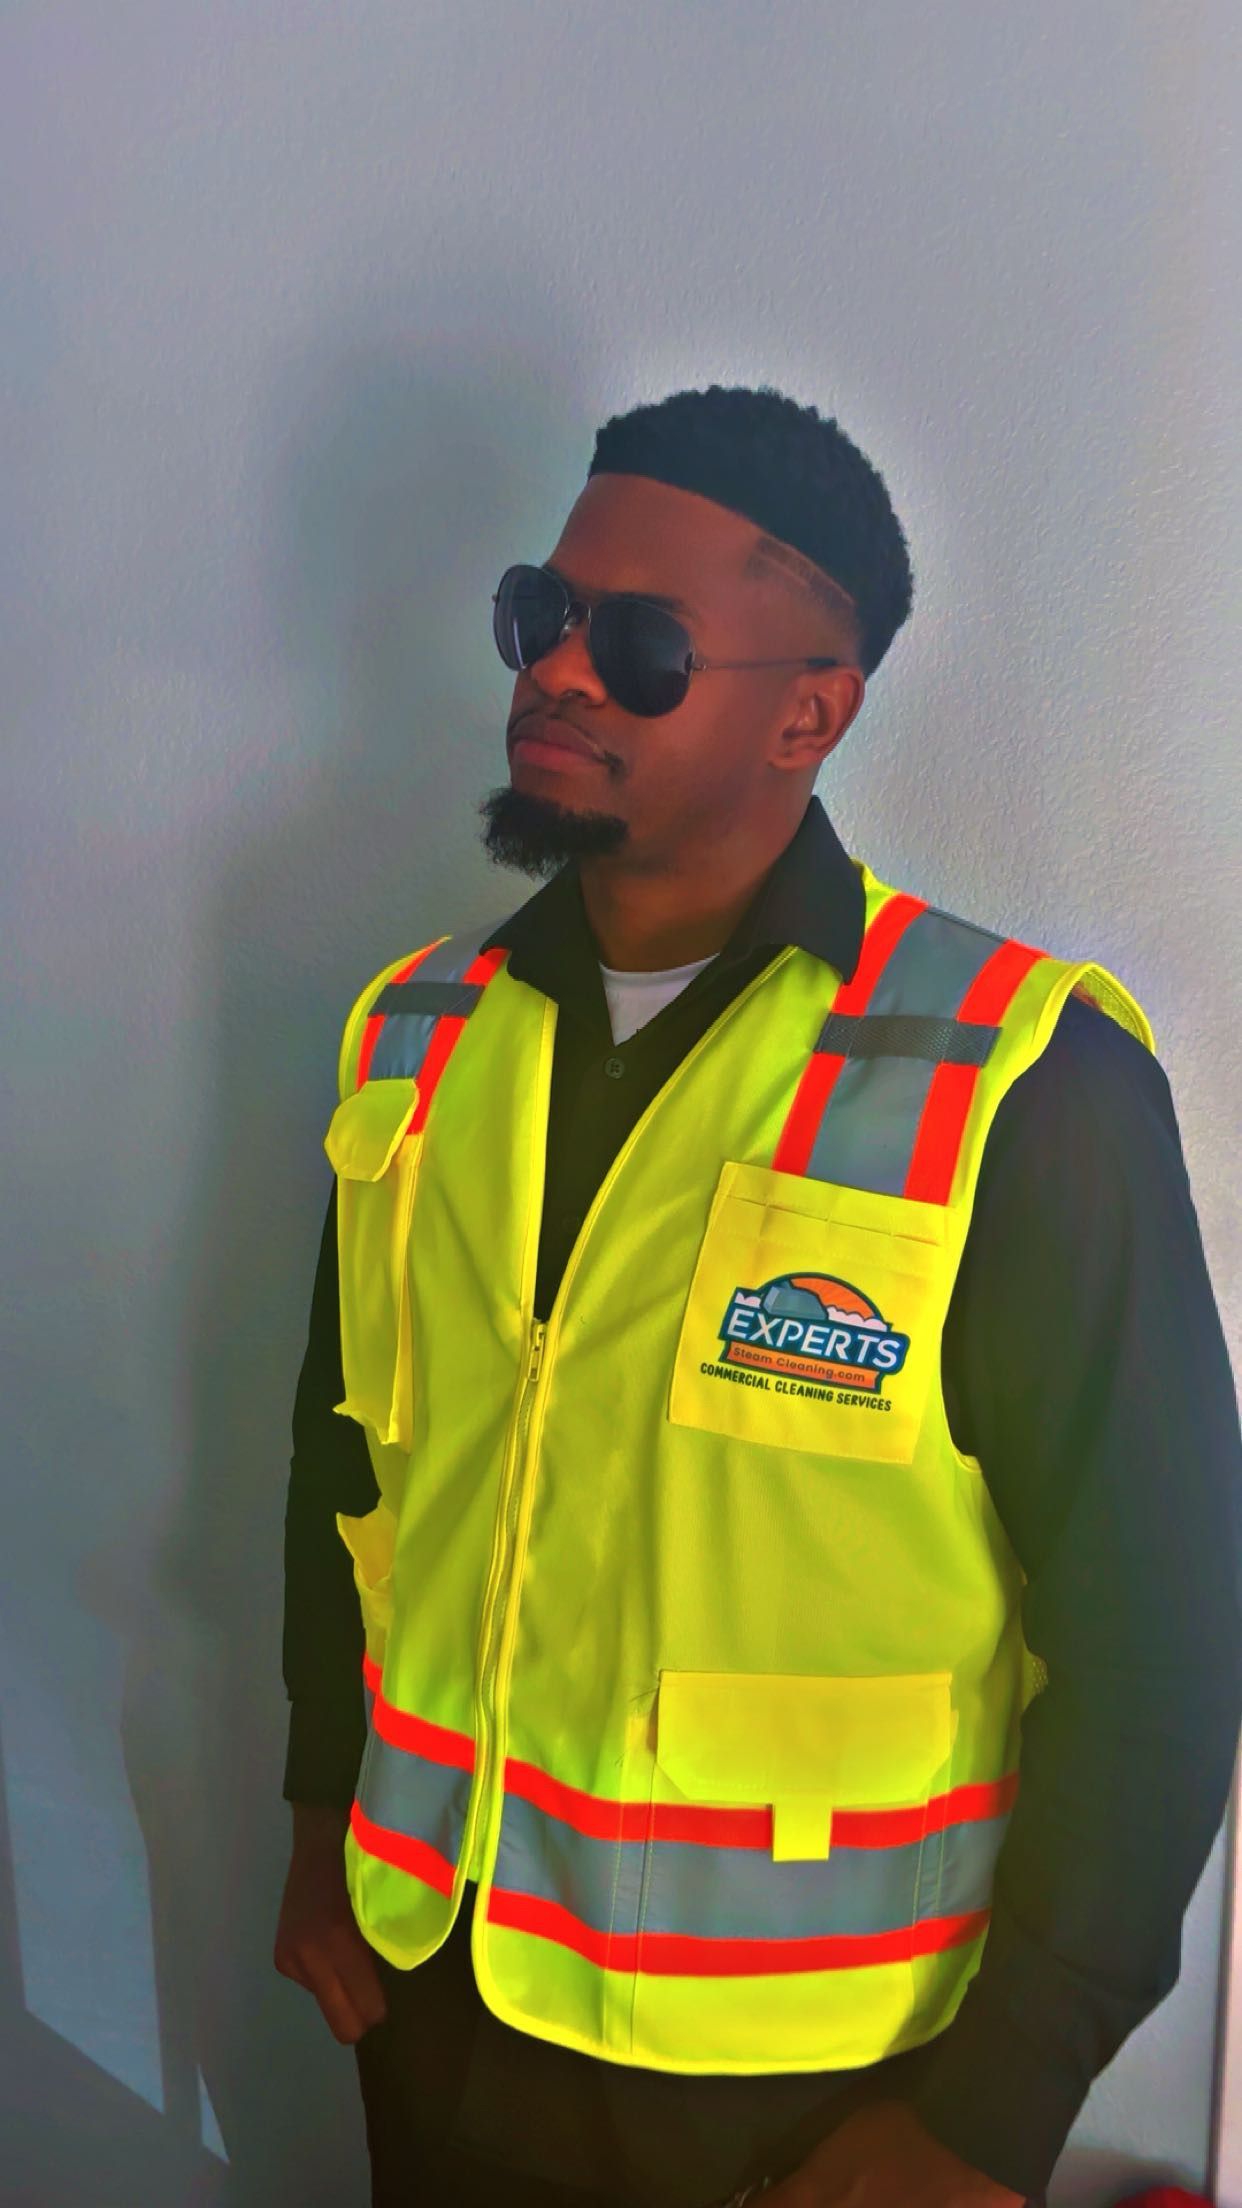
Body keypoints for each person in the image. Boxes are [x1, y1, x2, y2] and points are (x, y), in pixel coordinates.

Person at [275, 383, 1242, 2208]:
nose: (556, 670)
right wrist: (320, 1825)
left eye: (637, 645)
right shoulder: (416, 1033)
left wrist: (992, 2112)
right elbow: (343, 1474)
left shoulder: (1011, 1084)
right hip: (430, 1997)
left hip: (803, 2087)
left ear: (811, 710)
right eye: (535, 617)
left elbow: (1163, 1643)